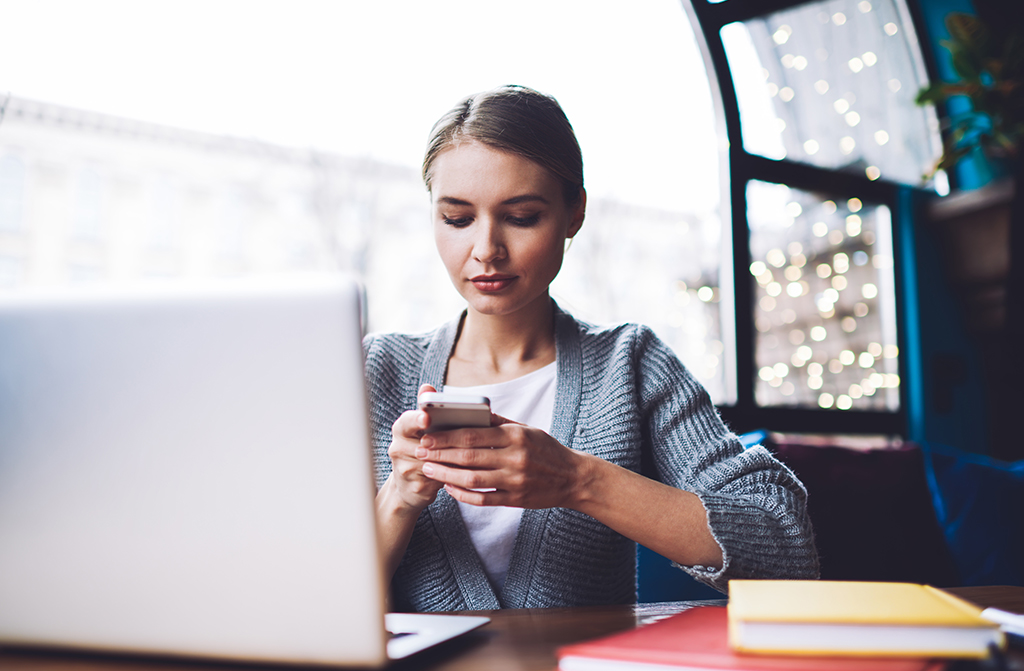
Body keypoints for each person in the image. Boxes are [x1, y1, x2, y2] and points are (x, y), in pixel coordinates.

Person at [363, 85, 818, 612]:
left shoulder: (628, 364)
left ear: (573, 212)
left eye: (522, 216)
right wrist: (399, 495)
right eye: (457, 219)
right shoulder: (376, 370)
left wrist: (578, 479)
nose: (486, 249)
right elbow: (310, 607)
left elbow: (784, 548)